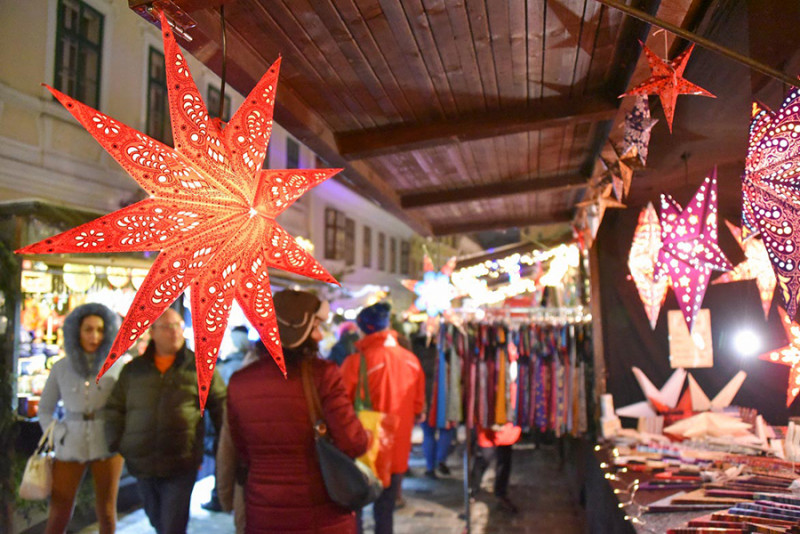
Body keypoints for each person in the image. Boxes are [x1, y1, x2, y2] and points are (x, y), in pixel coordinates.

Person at [226, 290, 368, 533]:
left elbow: (242, 450)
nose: (320, 335)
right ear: (299, 333)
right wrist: (368, 435)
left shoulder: (239, 382)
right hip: (321, 515)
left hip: (264, 513)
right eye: (315, 328)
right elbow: (353, 443)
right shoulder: (324, 375)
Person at [104, 308, 226, 534]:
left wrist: (224, 446)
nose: (175, 332)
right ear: (153, 332)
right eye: (168, 327)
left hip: (181, 461)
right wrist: (118, 443)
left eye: (179, 326)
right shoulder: (134, 370)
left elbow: (221, 405)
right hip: (142, 461)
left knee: (172, 525)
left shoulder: (200, 367)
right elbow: (114, 408)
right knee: (157, 519)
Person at [38, 303, 124, 534]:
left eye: (99, 330)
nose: (94, 336)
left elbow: (127, 407)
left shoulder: (116, 366)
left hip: (107, 444)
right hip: (70, 442)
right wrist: (58, 434)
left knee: (107, 512)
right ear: (77, 331)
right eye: (88, 329)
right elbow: (44, 409)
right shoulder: (61, 368)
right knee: (59, 512)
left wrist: (119, 435)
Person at [340, 302, 425, 534]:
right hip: (398, 450)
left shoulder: (355, 363)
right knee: (386, 511)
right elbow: (418, 407)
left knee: (354, 509)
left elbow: (340, 406)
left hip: (363, 450)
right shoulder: (412, 361)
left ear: (364, 329)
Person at [202, 325, 250, 512]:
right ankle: (225, 497)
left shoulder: (227, 366)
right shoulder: (249, 363)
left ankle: (221, 497)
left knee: (223, 460)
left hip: (227, 421)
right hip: (236, 422)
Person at [469, 423, 521, 514]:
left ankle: (501, 493)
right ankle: (473, 489)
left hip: (506, 425)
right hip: (488, 422)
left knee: (504, 461)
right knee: (484, 458)